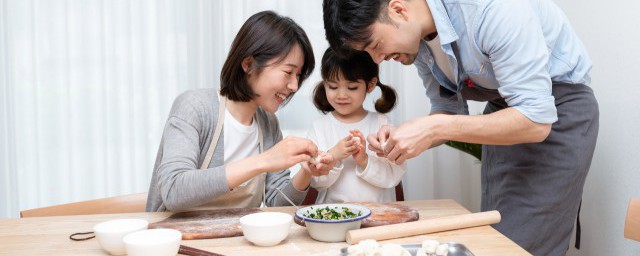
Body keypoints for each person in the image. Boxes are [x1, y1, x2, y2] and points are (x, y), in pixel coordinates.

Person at [323, 0, 599, 255]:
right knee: (495, 240)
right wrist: (405, 135)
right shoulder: (415, 42)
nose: (377, 59)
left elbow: (536, 120)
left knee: (522, 246)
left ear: (398, 9)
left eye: (375, 45)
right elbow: (449, 111)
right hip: (503, 117)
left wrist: (434, 128)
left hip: (557, 115)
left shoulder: (493, 9)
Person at [146, 11, 332, 212]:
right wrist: (263, 161)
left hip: (234, 241)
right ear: (248, 64)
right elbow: (173, 190)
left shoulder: (268, 124)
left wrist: (305, 173)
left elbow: (277, 203)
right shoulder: (195, 108)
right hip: (174, 240)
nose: (294, 86)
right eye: (288, 72)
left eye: (298, 75)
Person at [306, 48, 405, 203]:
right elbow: (316, 182)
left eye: (352, 87)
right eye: (333, 87)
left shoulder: (382, 125)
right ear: (325, 84)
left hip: (379, 217)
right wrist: (334, 156)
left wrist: (365, 161)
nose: (341, 95)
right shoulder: (320, 127)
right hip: (335, 218)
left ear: (370, 85)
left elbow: (394, 176)